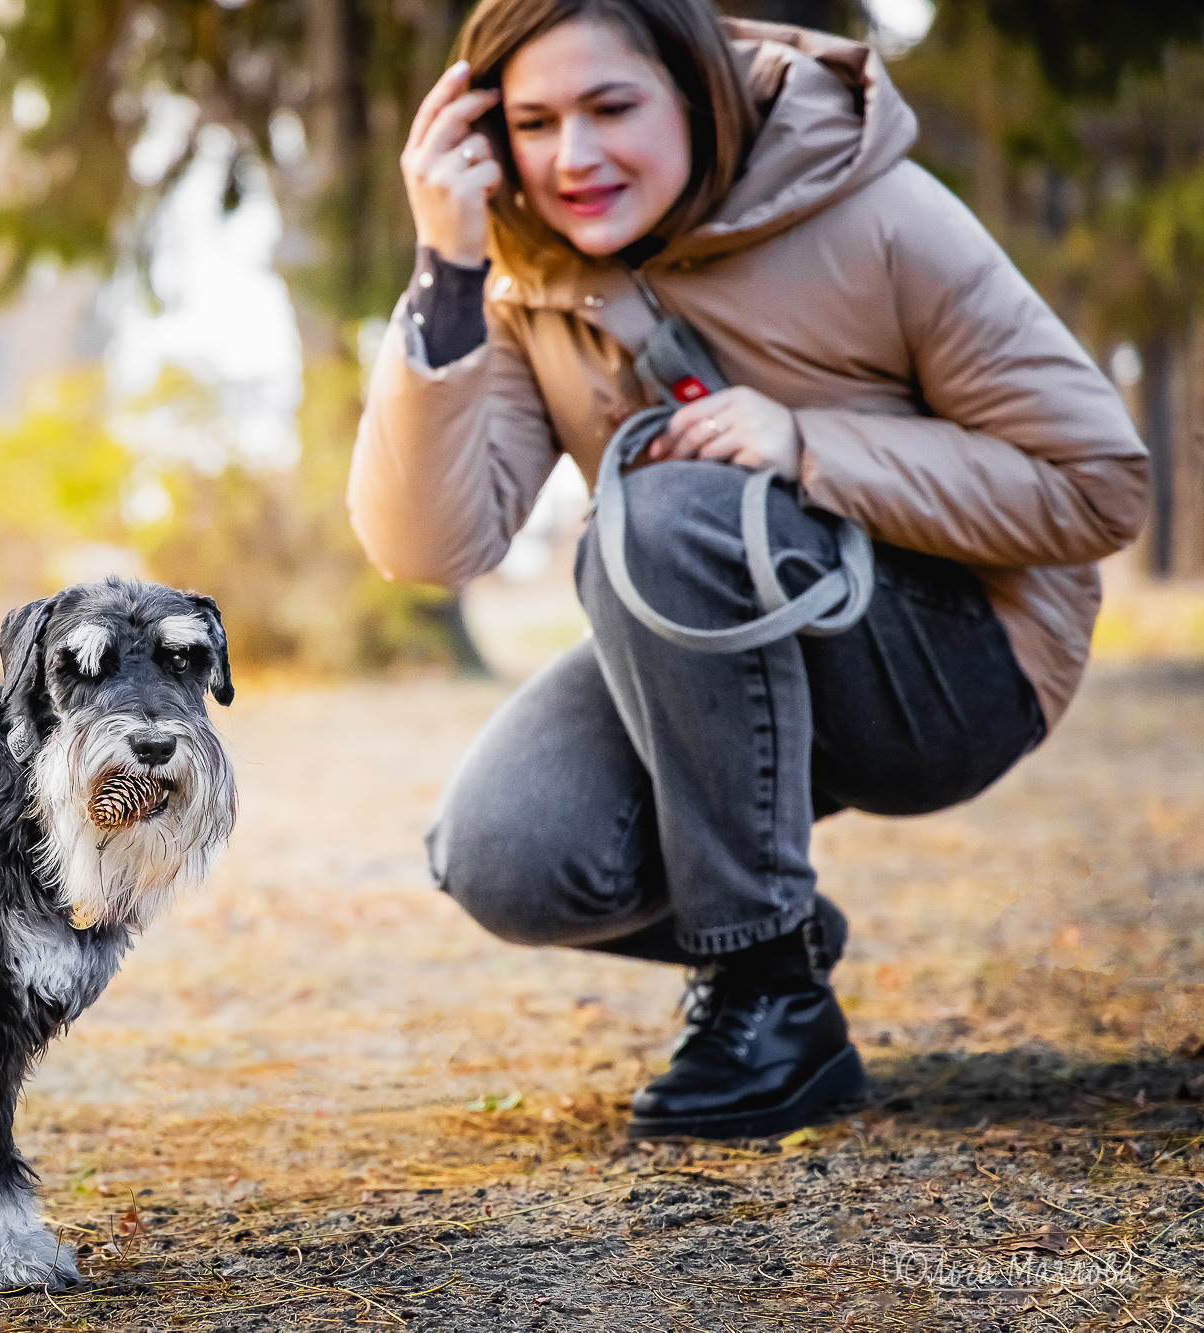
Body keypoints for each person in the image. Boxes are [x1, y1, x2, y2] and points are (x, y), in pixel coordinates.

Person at [348, 0, 1149, 1139]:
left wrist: (806, 445)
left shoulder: (876, 211)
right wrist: (443, 270)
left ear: (694, 90)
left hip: (959, 663)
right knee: (504, 854)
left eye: (609, 106)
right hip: (723, 642)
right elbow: (432, 546)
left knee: (669, 507)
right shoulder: (527, 284)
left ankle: (764, 992)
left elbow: (1095, 484)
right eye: (533, 122)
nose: (572, 157)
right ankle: (773, 928)